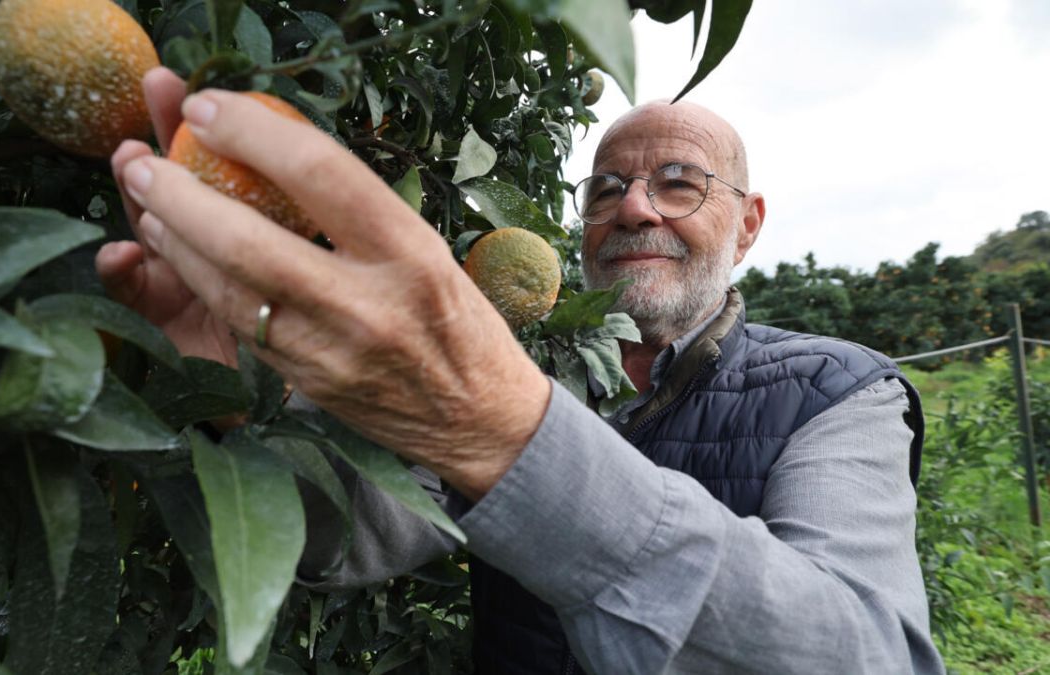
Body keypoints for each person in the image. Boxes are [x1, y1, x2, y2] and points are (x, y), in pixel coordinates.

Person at [96, 67, 946, 674]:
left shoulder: (840, 391)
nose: (634, 207)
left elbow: (868, 653)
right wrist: (234, 393)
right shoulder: (525, 370)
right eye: (606, 188)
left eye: (679, 184)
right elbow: (349, 534)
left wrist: (508, 432)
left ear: (749, 224)